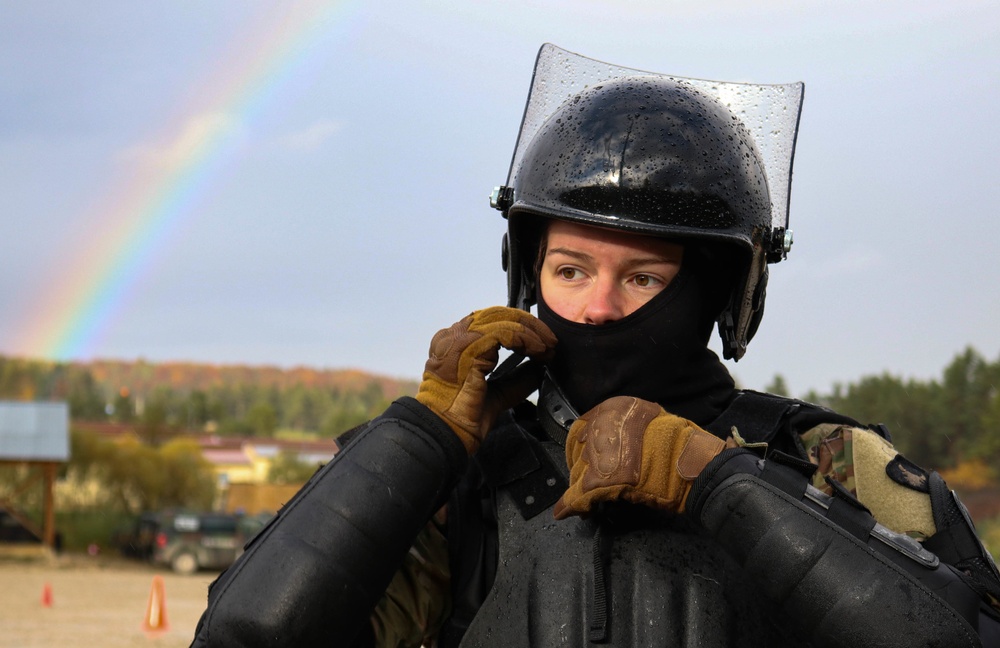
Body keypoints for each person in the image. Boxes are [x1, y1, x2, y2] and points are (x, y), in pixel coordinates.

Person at [190, 45, 1000, 648]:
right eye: (570, 270)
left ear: (717, 292)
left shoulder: (829, 462)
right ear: (527, 272)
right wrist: (418, 438)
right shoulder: (460, 481)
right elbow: (246, 635)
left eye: (644, 278)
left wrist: (721, 483)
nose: (600, 309)